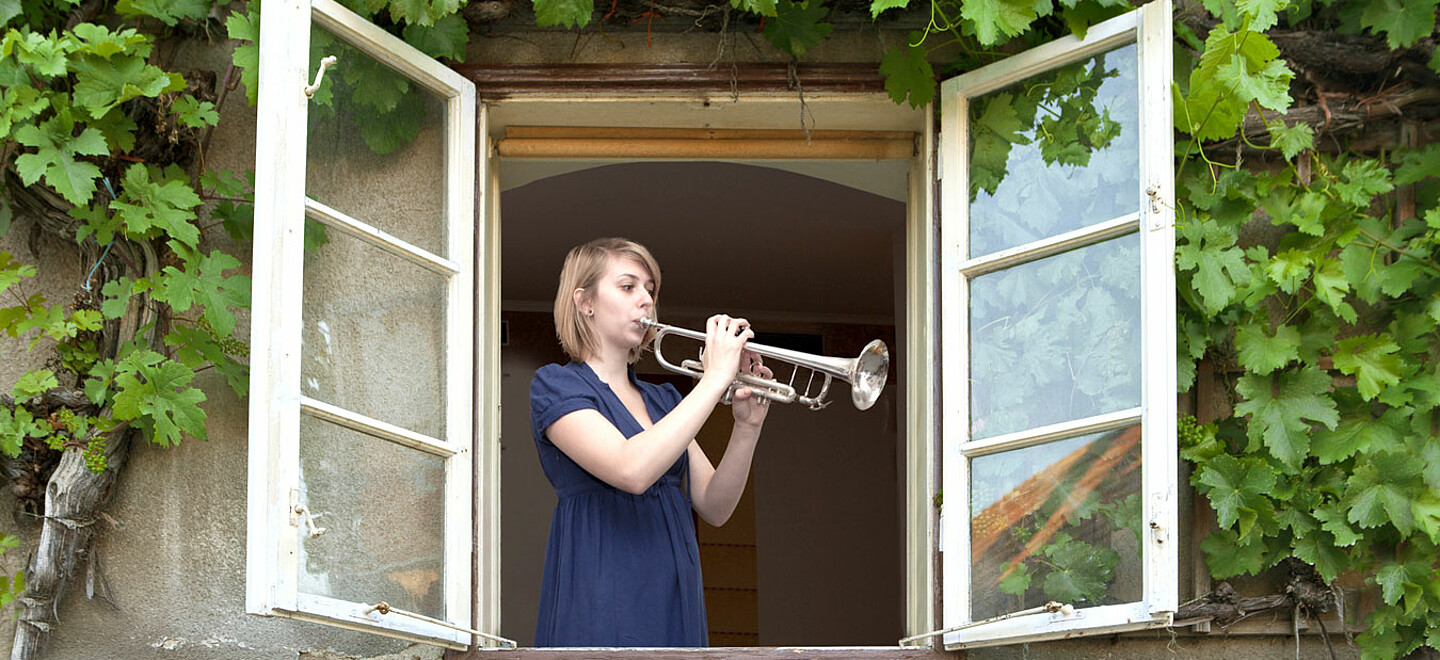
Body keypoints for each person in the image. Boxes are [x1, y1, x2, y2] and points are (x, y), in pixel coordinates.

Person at [529, 237, 771, 647]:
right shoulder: (555, 385)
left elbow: (715, 506)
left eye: (650, 289)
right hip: (601, 586)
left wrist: (748, 428)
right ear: (584, 301)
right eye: (628, 287)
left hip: (675, 590)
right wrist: (714, 381)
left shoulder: (664, 401)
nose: (646, 300)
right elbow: (631, 470)